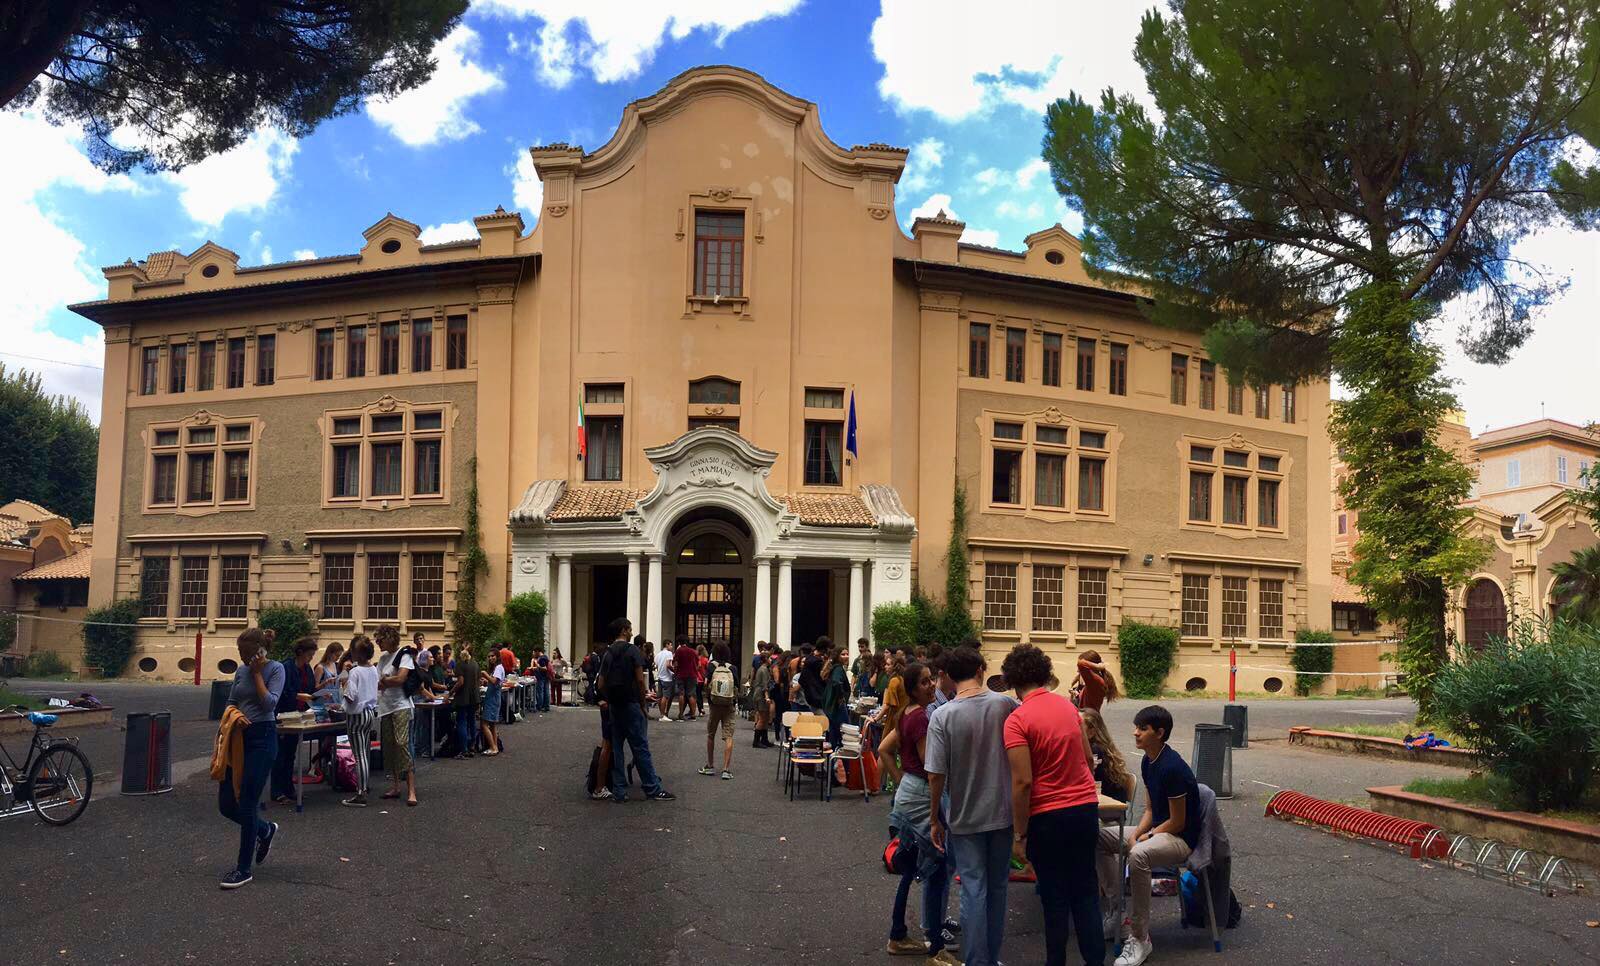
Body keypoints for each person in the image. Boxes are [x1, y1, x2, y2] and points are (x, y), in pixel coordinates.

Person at [1001, 644, 1105, 966]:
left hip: (1047, 817)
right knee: (1086, 892)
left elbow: (1023, 782)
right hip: (1084, 809)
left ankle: (1056, 961)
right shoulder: (1068, 708)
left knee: (1054, 897)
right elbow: (1087, 758)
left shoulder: (1017, 720)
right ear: (1044, 673)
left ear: (1012, 680)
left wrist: (1019, 835)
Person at [926, 645, 1020, 966]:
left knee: (973, 888)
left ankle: (976, 960)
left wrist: (935, 818)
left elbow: (935, 774)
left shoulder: (942, 716)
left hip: (964, 815)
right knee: (998, 887)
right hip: (1003, 812)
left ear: (950, 677)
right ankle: (991, 958)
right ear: (981, 670)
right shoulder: (1006, 705)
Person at [1097, 705, 1202, 966]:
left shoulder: (1172, 767)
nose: (1135, 733)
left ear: (1159, 733)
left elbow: (1177, 822)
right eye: (1136, 727)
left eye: (1142, 728)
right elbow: (1151, 810)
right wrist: (1138, 833)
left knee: (1138, 855)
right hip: (1158, 830)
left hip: (1180, 839)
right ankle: (1118, 914)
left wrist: (1149, 836)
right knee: (1095, 838)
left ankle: (1140, 936)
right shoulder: (1148, 761)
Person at [877, 662, 957, 961]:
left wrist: (902, 781)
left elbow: (884, 749)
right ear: (912, 689)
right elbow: (931, 766)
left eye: (930, 679)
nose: (931, 685)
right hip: (922, 796)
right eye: (924, 682)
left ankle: (897, 935)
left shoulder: (906, 714)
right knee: (938, 868)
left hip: (908, 795)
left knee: (910, 867)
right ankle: (936, 949)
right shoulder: (922, 718)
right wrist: (935, 815)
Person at [216, 627, 285, 889]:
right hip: (237, 736)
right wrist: (233, 716)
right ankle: (265, 830)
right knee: (226, 804)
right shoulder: (240, 670)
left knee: (247, 802)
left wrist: (257, 674)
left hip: (262, 737)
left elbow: (270, 704)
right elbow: (231, 701)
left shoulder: (276, 669)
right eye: (240, 652)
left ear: (259, 651)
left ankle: (243, 869)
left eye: (246, 653)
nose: (242, 658)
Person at [597, 617, 675, 803]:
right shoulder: (632, 651)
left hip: (615, 706)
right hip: (631, 704)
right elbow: (640, 681)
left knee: (617, 749)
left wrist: (609, 699)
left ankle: (619, 791)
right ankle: (652, 787)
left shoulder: (608, 653)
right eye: (630, 629)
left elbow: (600, 683)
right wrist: (642, 703)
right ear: (624, 630)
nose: (632, 632)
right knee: (640, 747)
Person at [269, 637, 318, 805]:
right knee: (280, 754)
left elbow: (310, 688)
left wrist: (318, 691)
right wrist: (298, 696)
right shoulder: (286, 667)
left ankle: (288, 788)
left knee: (290, 753)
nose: (311, 658)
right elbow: (281, 691)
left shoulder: (307, 668)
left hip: (299, 714)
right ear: (300, 652)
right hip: (284, 715)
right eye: (309, 655)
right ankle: (277, 791)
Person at [374, 625, 418, 806]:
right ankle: (396, 786)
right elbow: (378, 682)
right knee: (389, 746)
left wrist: (385, 680)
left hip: (401, 705)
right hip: (386, 707)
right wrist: (388, 681)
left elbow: (401, 679)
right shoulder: (383, 658)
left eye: (380, 640)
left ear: (389, 638)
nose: (378, 643)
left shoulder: (404, 654)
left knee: (402, 743)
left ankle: (411, 790)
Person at [340, 635, 378, 807]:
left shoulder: (355, 672)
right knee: (365, 753)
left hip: (356, 715)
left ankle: (361, 793)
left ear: (359, 653)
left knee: (359, 754)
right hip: (369, 712)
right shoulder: (373, 669)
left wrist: (344, 682)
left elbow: (350, 696)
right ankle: (364, 786)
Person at [698, 642, 740, 779]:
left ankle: (710, 766)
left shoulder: (711, 666)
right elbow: (737, 687)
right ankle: (726, 770)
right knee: (728, 736)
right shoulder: (733, 668)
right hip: (729, 706)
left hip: (715, 705)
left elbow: (706, 683)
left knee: (711, 735)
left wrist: (709, 697)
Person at [1080, 707, 1135, 803]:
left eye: (1078, 726)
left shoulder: (1095, 750)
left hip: (1108, 805)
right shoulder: (1101, 748)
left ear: (1091, 732)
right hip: (1101, 800)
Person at [450, 646, 480, 760]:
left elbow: (460, 682)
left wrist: (451, 692)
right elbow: (478, 680)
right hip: (474, 697)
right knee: (472, 721)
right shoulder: (475, 664)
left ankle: (464, 750)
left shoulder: (460, 665)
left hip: (463, 697)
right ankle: (472, 746)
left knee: (462, 721)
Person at [820, 644, 851, 746]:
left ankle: (833, 752)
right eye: (843, 654)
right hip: (837, 705)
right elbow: (836, 682)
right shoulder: (838, 669)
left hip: (832, 705)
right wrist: (841, 697)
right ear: (837, 656)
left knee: (834, 731)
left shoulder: (835, 668)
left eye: (847, 654)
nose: (846, 656)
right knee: (844, 732)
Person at [749, 645, 774, 748]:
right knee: (762, 718)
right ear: (766, 659)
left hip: (759, 694)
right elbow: (764, 685)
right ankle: (756, 741)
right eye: (770, 658)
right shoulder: (763, 670)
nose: (771, 660)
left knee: (765, 717)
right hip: (761, 696)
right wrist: (767, 697)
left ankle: (764, 739)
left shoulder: (764, 669)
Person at [479, 655, 504, 756]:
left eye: (492, 656)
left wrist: (485, 674)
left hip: (492, 699)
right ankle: (495, 746)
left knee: (484, 724)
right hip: (493, 697)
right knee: (492, 724)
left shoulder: (498, 668)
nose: (490, 658)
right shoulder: (498, 668)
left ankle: (493, 747)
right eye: (489, 656)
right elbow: (494, 681)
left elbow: (494, 681)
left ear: (497, 656)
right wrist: (486, 681)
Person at [672, 636, 700, 720]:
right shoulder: (693, 651)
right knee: (691, 695)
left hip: (681, 674)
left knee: (681, 694)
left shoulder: (678, 651)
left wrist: (675, 672)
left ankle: (681, 714)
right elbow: (698, 665)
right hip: (692, 675)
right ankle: (693, 714)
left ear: (679, 642)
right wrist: (694, 670)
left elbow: (675, 663)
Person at [654, 641, 677, 720]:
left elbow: (656, 665)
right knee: (665, 697)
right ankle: (664, 715)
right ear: (667, 645)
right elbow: (668, 665)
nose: (672, 647)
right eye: (671, 645)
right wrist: (674, 671)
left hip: (660, 677)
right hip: (667, 678)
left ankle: (661, 713)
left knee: (660, 697)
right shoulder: (669, 653)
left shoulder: (658, 654)